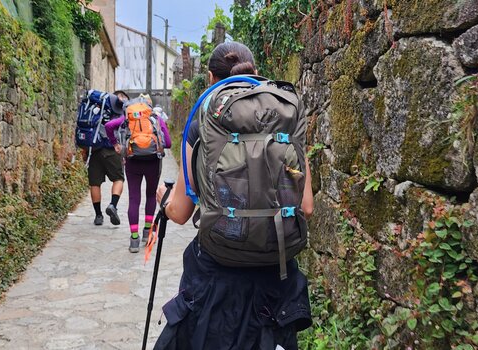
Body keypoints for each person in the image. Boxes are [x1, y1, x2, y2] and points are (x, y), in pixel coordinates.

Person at [154, 42, 315, 349]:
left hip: (216, 281)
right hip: (274, 277)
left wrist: (164, 196)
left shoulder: (205, 117)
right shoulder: (283, 115)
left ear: (211, 78)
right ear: (255, 71)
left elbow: (180, 212)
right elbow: (305, 207)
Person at [105, 95, 172, 253]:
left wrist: (115, 144)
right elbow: (168, 143)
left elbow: (108, 126)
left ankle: (134, 240)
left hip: (132, 161)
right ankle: (147, 232)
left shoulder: (128, 118)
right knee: (150, 196)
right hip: (153, 163)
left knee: (134, 199)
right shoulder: (155, 117)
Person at [83, 91, 127, 226]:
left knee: (95, 183)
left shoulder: (95, 109)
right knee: (118, 179)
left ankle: (98, 216)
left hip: (94, 149)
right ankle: (113, 205)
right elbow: (122, 133)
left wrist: (85, 150)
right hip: (111, 148)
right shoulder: (120, 111)